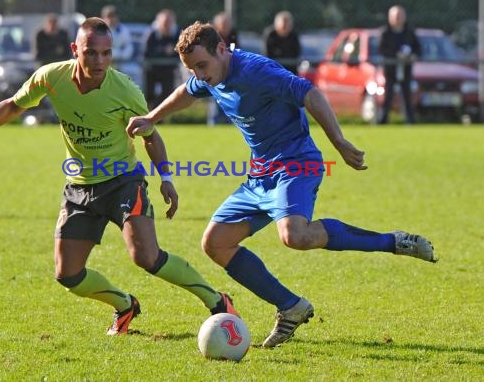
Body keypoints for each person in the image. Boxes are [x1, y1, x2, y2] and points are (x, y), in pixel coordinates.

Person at [126, 21, 436, 348]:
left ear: (221, 49)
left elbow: (310, 93)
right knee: (215, 243)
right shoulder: (210, 74)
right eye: (192, 68)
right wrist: (152, 118)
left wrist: (339, 142)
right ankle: (291, 307)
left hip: (296, 163)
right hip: (260, 175)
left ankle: (393, 241)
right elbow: (186, 92)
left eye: (201, 66)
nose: (199, 74)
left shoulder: (256, 70)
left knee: (295, 235)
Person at [0, 18, 237, 336]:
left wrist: (166, 179)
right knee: (68, 275)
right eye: (91, 53)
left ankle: (217, 301)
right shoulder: (52, 77)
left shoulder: (124, 90)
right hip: (79, 188)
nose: (100, 61)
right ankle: (125, 305)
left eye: (106, 54)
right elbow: (13, 106)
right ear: (75, 49)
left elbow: (150, 136)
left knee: (146, 256)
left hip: (123, 181)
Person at [378, 5, 421, 124]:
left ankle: (410, 120)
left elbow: (418, 48)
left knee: (407, 94)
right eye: (396, 16)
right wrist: (395, 55)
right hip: (391, 68)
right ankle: (383, 120)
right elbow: (381, 49)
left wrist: (412, 55)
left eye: (400, 16)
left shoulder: (409, 32)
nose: (398, 19)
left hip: (405, 68)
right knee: (388, 94)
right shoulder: (385, 32)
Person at [143, 9, 181, 109]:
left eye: (169, 22)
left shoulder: (178, 33)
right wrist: (163, 50)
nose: (166, 25)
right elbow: (147, 52)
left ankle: (157, 114)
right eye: (164, 22)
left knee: (168, 94)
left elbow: (182, 51)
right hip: (152, 69)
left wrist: (173, 50)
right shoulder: (152, 33)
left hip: (169, 69)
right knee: (148, 94)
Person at [208, 12, 238, 125]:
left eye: (227, 24)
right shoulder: (211, 36)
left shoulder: (233, 34)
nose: (225, 27)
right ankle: (212, 124)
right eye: (223, 24)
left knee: (231, 100)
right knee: (216, 99)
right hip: (214, 73)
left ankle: (231, 124)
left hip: (230, 73)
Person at [263, 10, 301, 74]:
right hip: (273, 69)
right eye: (283, 25)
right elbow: (267, 54)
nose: (285, 27)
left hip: (290, 70)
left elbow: (296, 53)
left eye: (287, 24)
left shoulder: (294, 36)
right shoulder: (270, 34)